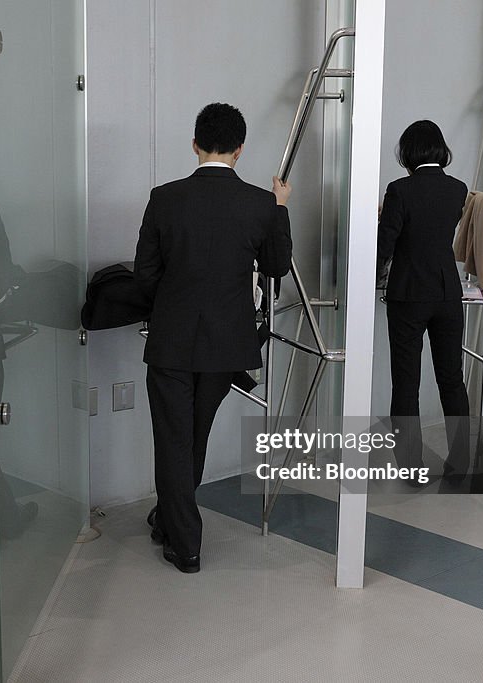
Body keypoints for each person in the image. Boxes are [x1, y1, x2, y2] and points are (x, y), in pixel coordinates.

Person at [134, 102, 293, 573]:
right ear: (240, 150)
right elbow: (277, 267)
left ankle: (186, 543)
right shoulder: (260, 205)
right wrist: (281, 208)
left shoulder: (164, 198)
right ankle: (170, 518)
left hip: (172, 341)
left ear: (195, 144)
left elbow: (145, 276)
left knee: (173, 438)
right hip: (227, 346)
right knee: (194, 436)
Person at [377, 120, 471, 485]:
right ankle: (460, 464)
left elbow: (386, 246)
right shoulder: (458, 189)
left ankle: (411, 468)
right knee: (452, 380)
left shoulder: (399, 190)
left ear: (409, 152)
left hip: (409, 294)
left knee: (406, 383)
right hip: (448, 293)